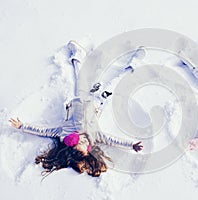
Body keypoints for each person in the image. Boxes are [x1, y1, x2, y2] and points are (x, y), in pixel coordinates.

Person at [9, 40, 143, 177]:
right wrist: (131, 145)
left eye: (79, 149)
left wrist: (22, 126)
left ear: (73, 149)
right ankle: (133, 66)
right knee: (113, 84)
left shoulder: (63, 134)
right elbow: (112, 140)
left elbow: (43, 131)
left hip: (80, 99)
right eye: (86, 150)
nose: (83, 147)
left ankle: (78, 55)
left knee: (81, 77)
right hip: (97, 102)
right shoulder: (95, 137)